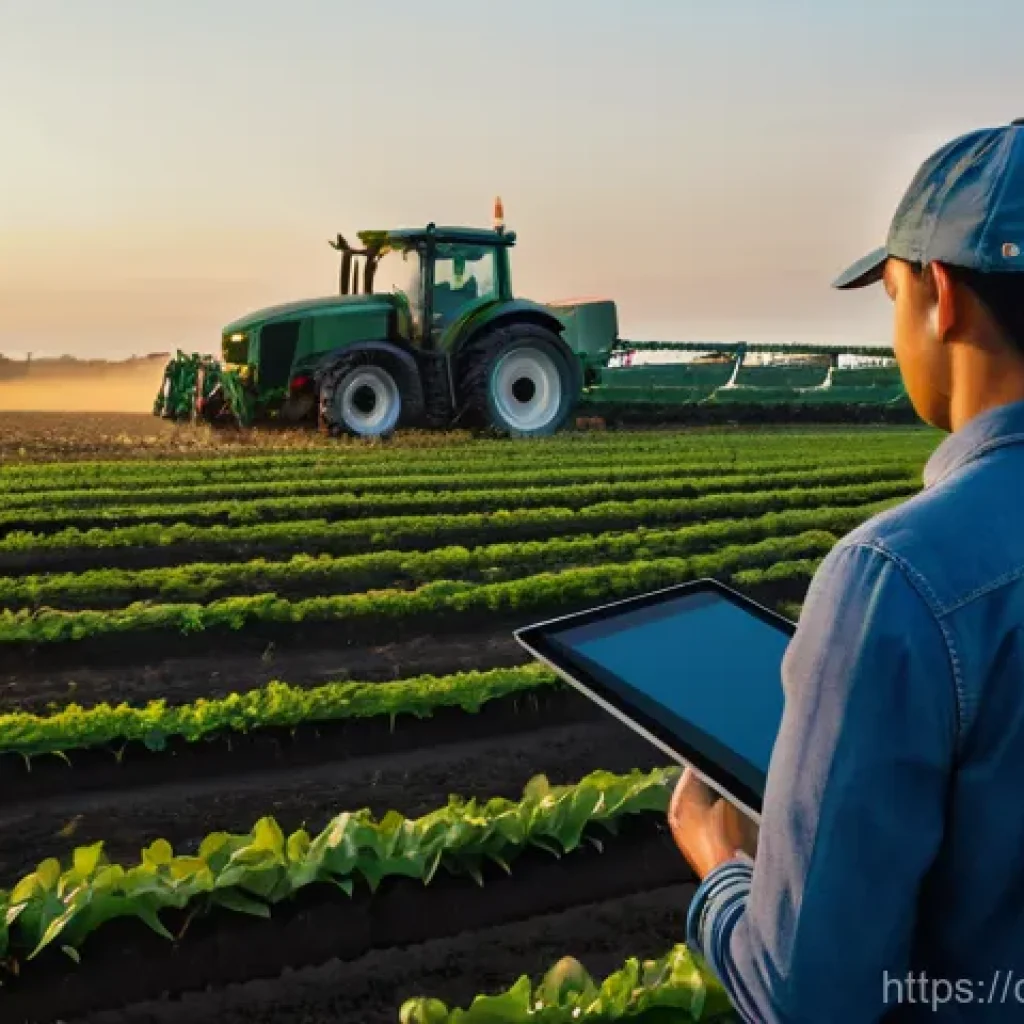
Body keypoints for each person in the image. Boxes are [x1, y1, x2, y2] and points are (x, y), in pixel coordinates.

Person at [670, 117, 1024, 1022]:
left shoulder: (900, 581)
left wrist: (722, 870)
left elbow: (813, 999)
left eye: (891, 293)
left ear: (941, 294)